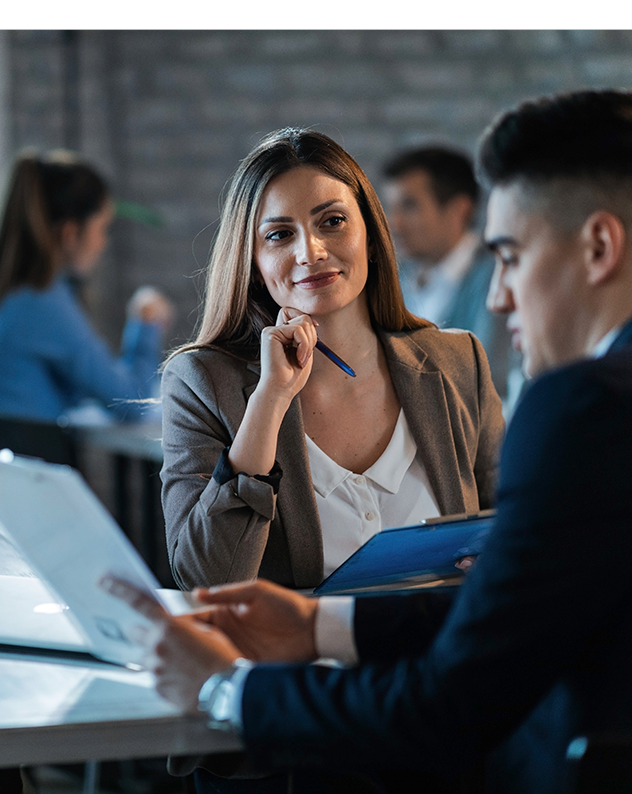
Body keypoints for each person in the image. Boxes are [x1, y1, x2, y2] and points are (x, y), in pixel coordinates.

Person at [103, 90, 632, 794]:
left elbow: (452, 700)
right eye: (278, 234)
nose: (496, 297)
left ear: (598, 246)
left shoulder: (587, 403)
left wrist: (223, 688)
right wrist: (318, 623)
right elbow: (524, 602)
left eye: (510, 255)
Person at [160, 128, 505, 593]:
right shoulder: (202, 381)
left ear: (370, 232)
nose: (311, 252)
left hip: (442, 657)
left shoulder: (457, 361)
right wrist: (269, 401)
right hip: (303, 663)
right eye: (280, 234)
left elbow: (512, 533)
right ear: (254, 261)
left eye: (333, 221)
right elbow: (208, 581)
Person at [0, 150, 174, 517]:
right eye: (101, 229)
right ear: (70, 233)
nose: (103, 243)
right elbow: (128, 401)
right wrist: (145, 325)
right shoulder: (40, 301)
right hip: (7, 513)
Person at [382, 146, 511, 400]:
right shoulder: (395, 281)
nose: (393, 223)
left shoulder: (498, 279)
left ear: (459, 210)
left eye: (409, 206)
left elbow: (488, 380)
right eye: (390, 207)